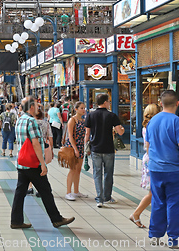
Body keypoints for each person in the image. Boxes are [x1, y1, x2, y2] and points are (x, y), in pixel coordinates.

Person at [10, 96, 75, 229]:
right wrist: (42, 163)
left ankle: (16, 221)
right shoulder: (31, 121)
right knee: (46, 191)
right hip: (33, 163)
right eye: (36, 105)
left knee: (20, 192)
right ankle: (56, 219)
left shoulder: (20, 120)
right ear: (32, 107)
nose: (39, 107)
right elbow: (35, 143)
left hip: (22, 162)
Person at [146, 90, 179, 248]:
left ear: (161, 103)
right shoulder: (178, 122)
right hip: (174, 171)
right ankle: (175, 239)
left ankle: (155, 236)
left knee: (158, 201)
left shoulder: (152, 121)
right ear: (177, 103)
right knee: (176, 204)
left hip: (155, 169)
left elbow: (148, 146)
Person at [84, 93, 124, 207]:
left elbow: (87, 133)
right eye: (109, 101)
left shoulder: (91, 115)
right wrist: (122, 129)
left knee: (97, 173)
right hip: (108, 149)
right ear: (105, 102)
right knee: (108, 174)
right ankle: (107, 197)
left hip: (95, 148)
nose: (110, 103)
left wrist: (85, 147)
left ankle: (99, 199)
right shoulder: (112, 115)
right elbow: (120, 132)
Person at [129, 103, 160, 228]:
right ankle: (136, 214)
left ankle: (136, 214)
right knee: (153, 192)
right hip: (153, 159)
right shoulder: (153, 127)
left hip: (149, 159)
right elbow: (149, 146)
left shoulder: (146, 126)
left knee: (154, 192)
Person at [64, 102, 88, 201]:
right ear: (76, 109)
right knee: (72, 169)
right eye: (81, 108)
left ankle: (76, 191)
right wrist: (75, 149)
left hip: (81, 145)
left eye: (84, 108)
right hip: (73, 146)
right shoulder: (72, 120)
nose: (84, 110)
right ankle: (68, 192)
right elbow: (70, 135)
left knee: (78, 170)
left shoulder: (83, 120)